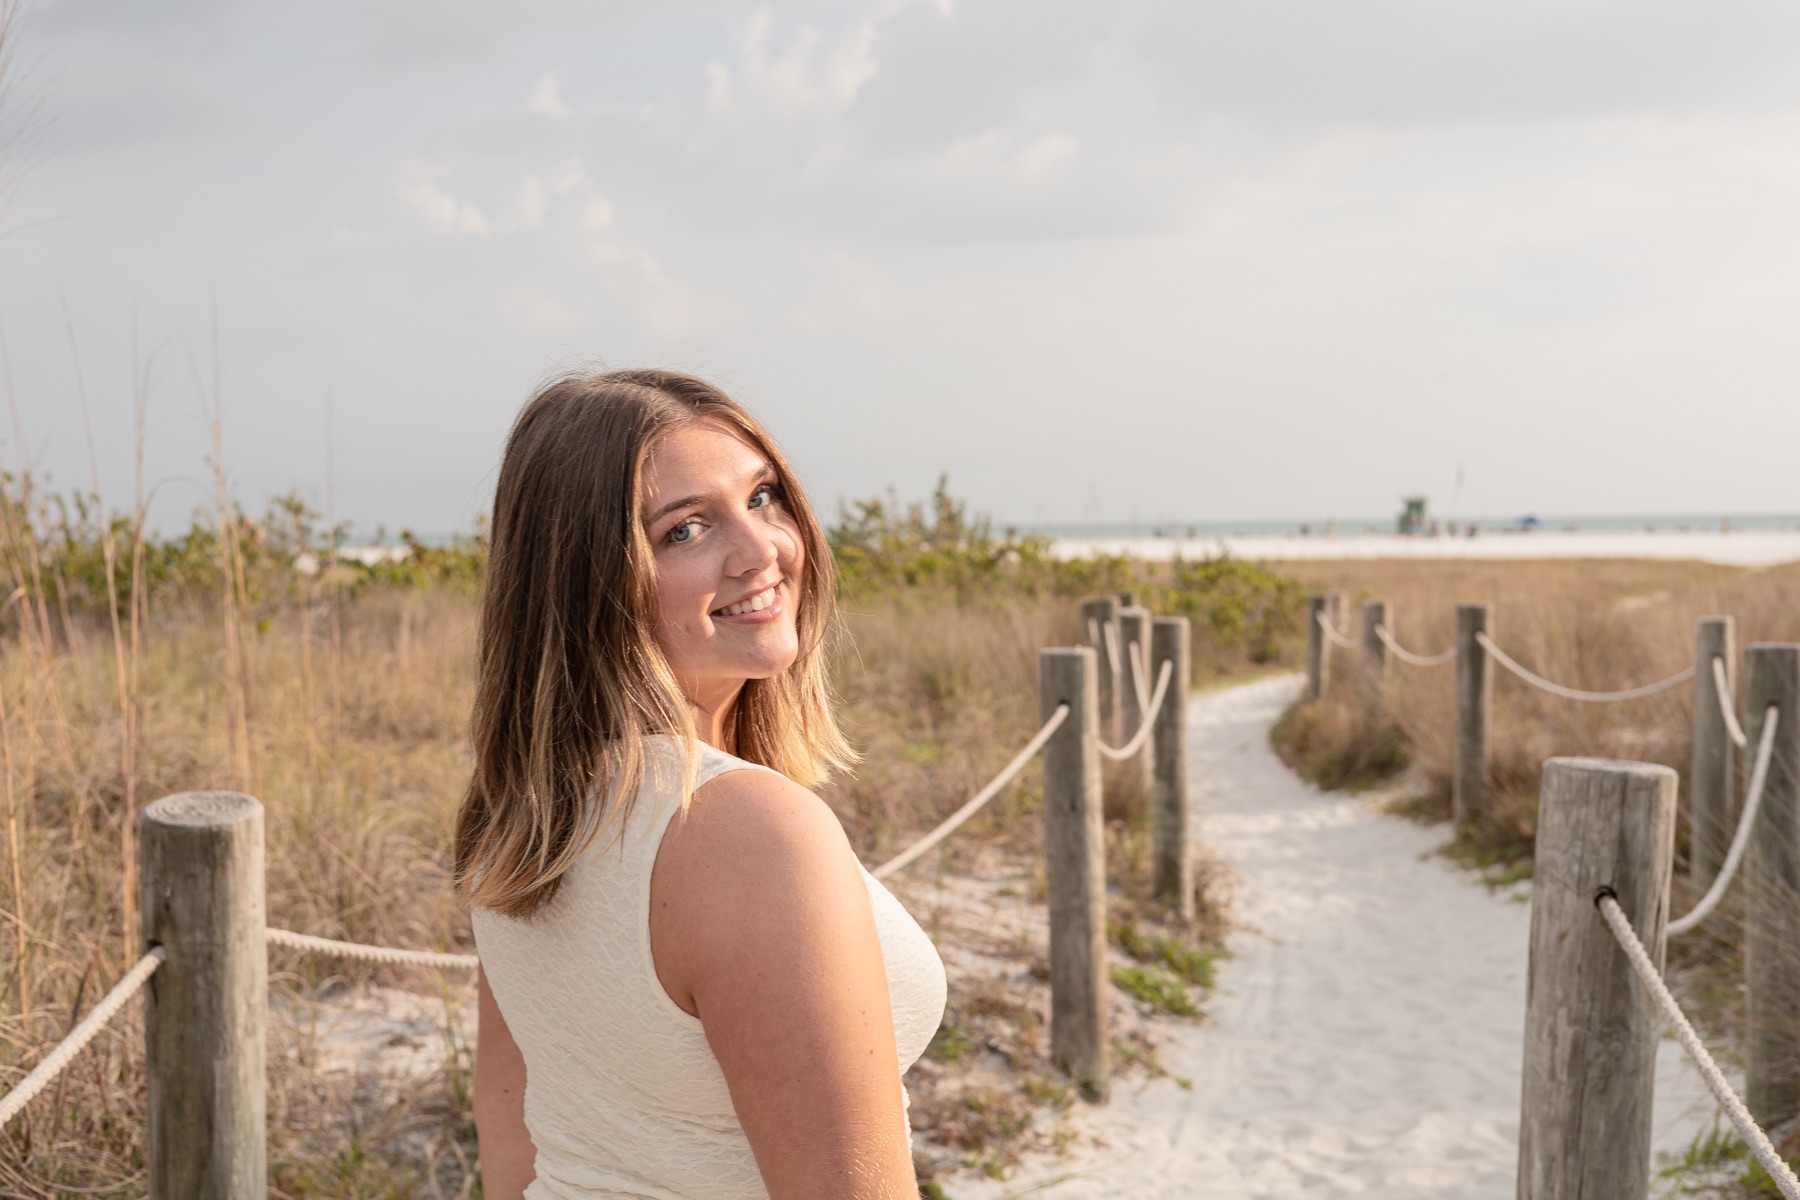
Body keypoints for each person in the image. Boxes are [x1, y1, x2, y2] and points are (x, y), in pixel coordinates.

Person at [457, 369, 947, 1200]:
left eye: (762, 497)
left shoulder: (524, 814)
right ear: (589, 584)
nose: (763, 549)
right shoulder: (745, 832)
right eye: (685, 529)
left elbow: (511, 1125)